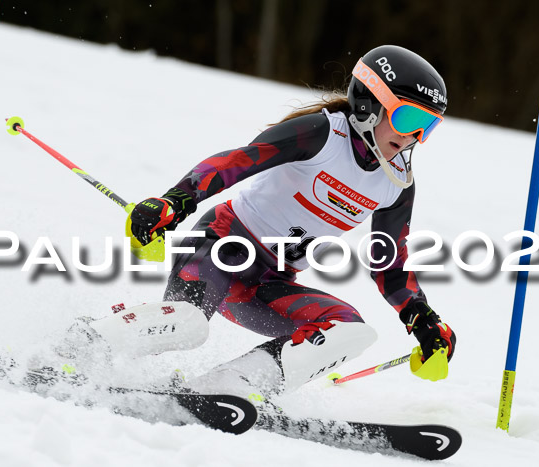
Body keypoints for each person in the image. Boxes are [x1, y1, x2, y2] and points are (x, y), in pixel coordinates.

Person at [127, 45, 456, 399]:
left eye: (428, 127)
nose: (413, 137)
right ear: (368, 103)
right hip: (219, 248)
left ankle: (231, 384)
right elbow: (237, 161)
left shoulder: (396, 183)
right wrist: (175, 200)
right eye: (409, 120)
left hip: (265, 286)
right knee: (185, 325)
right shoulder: (323, 134)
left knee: (349, 330)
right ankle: (88, 343)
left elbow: (390, 263)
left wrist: (421, 318)